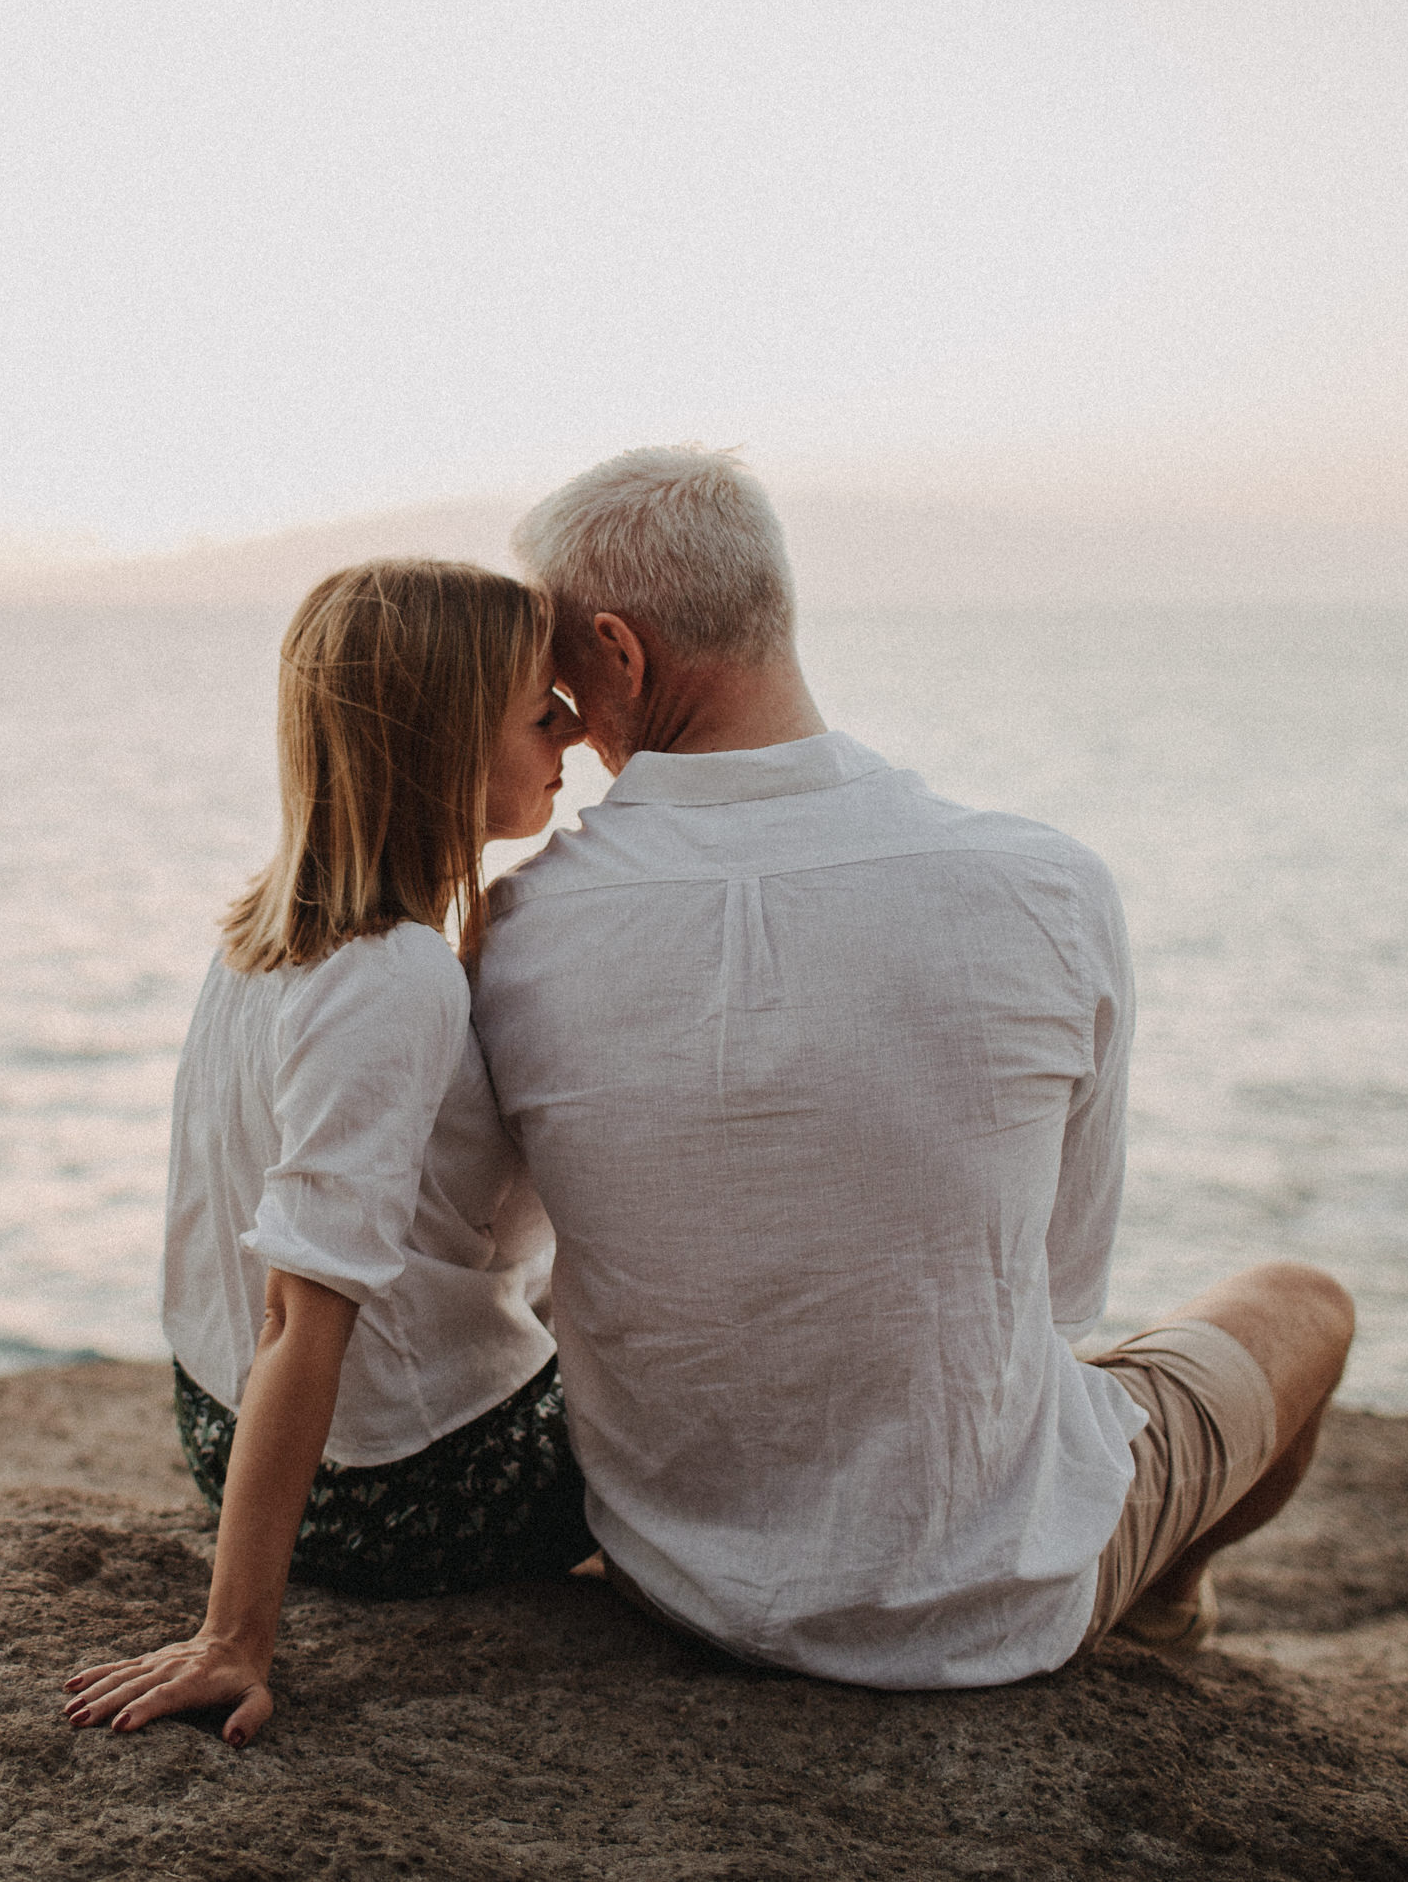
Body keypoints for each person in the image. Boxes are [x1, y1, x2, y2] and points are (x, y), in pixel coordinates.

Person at [472, 445, 1356, 1689]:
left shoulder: (515, 930)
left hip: (673, 1581)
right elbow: (1058, 1292)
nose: (560, 714)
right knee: (1302, 1298)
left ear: (619, 652)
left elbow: (488, 1273)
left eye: (559, 676)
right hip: (984, 1602)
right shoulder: (1044, 883)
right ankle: (1162, 1592)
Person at [63, 558, 596, 1746]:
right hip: (401, 1490)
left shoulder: (260, 933)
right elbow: (300, 1317)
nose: (573, 729)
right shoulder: (390, 976)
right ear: (446, 743)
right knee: (734, 1361)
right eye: (537, 711)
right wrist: (233, 1638)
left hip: (212, 1430)